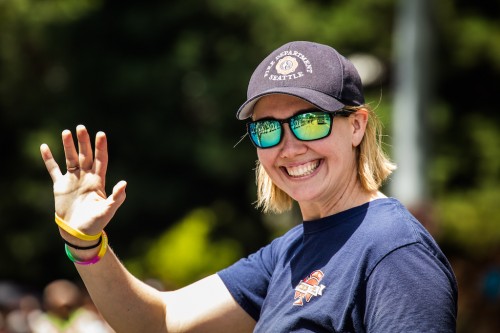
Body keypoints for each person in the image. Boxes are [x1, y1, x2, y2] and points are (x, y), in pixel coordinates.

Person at [40, 41, 458, 332]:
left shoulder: (394, 250)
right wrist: (85, 241)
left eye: (309, 121)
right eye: (267, 129)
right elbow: (158, 322)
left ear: (357, 126)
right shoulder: (290, 251)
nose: (290, 146)